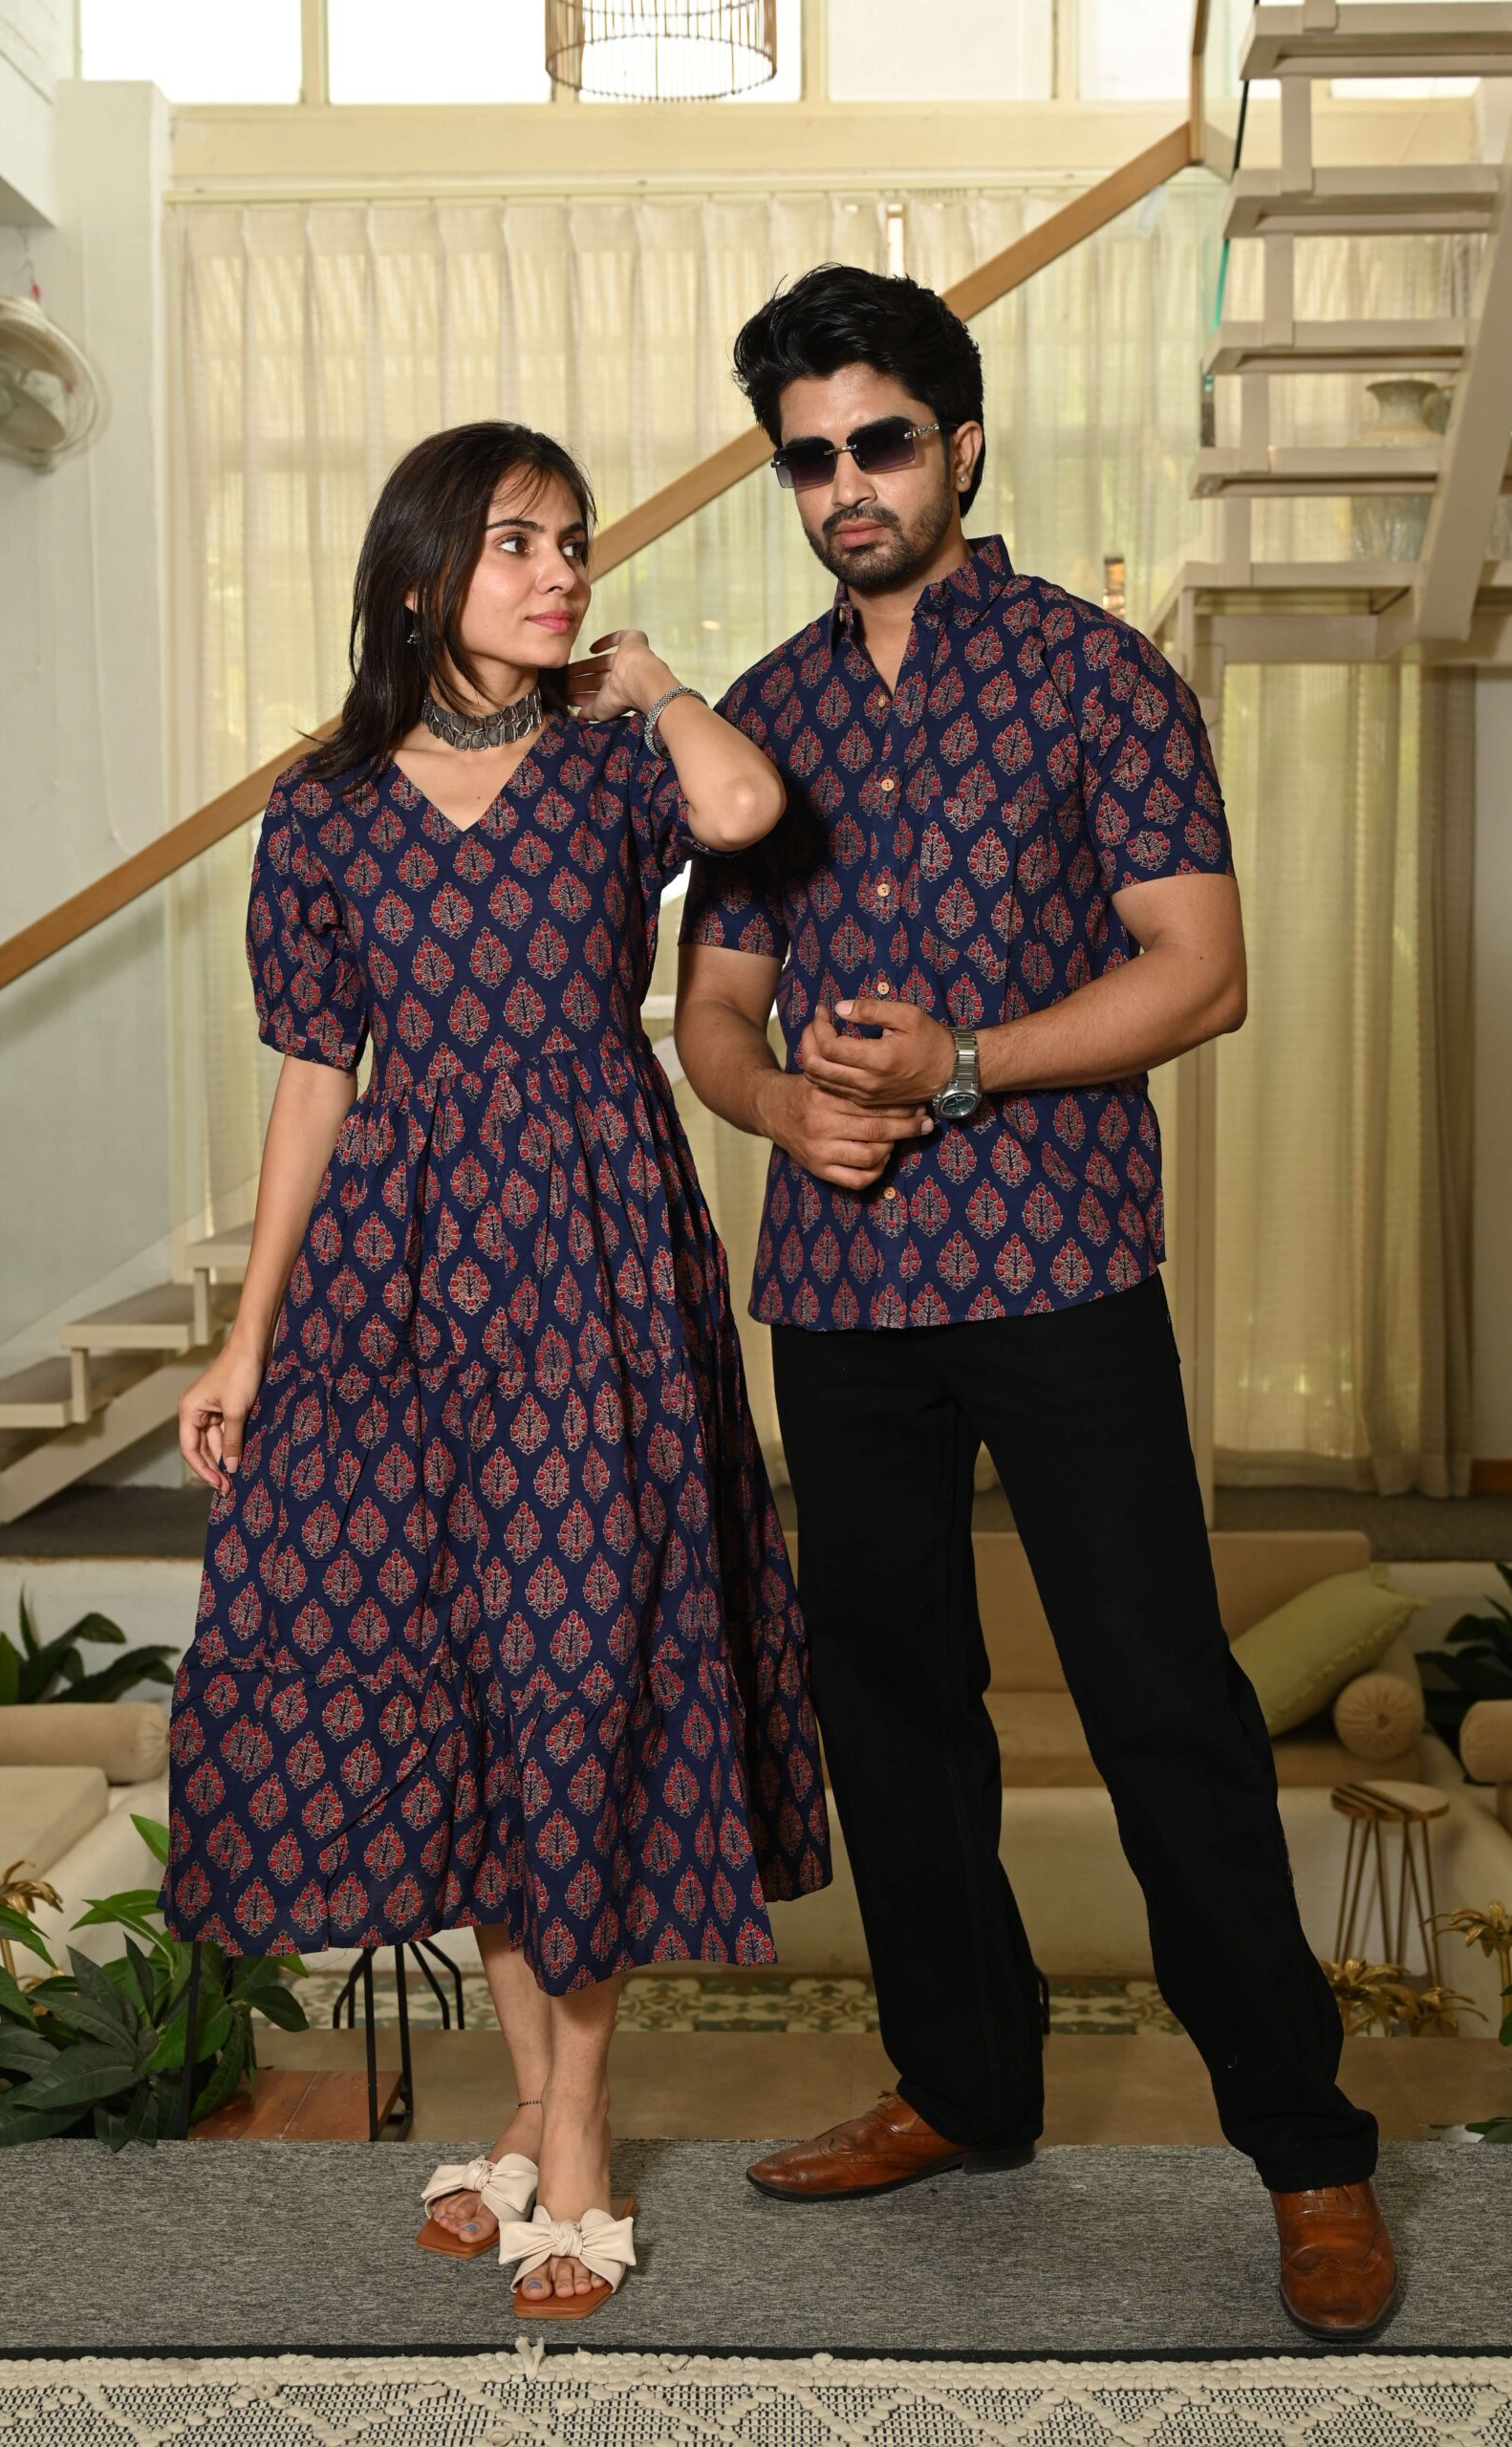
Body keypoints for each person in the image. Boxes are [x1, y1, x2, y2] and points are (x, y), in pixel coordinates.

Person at [671, 267, 1398, 2343]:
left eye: (881, 443)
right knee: (891, 1719)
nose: (846, 486)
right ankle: (965, 2086)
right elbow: (716, 1012)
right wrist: (781, 1108)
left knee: (1161, 1704)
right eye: (808, 457)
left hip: (1061, 1265)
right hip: (841, 1291)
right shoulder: (762, 719)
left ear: (962, 445)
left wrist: (965, 1066)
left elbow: (1202, 971)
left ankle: (1310, 2149)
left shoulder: (1098, 677)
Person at [161, 419, 830, 2320]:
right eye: (517, 543)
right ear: (417, 577)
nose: (561, 573)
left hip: (597, 1261)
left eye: (573, 542)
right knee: (458, 1684)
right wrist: (248, 1334)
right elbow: (315, 1079)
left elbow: (746, 809)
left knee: (578, 1676)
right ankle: (528, 2114)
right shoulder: (324, 810)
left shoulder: (616, 766)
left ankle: (582, 2136)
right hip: (396, 1282)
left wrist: (659, 679)